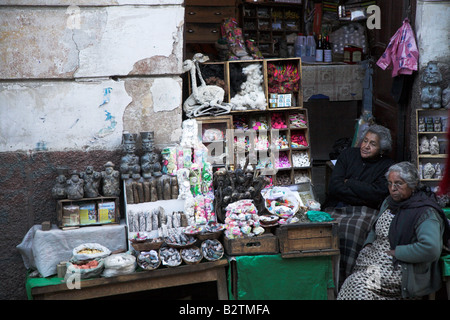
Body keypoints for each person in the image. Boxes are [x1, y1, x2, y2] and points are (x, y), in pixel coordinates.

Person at [338, 162, 450, 300]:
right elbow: (375, 227)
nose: (392, 188)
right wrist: (368, 244)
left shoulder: (425, 213)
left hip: (399, 267)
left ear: (413, 185)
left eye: (398, 184)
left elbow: (430, 249)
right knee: (353, 283)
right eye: (390, 183)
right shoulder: (389, 203)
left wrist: (397, 252)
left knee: (359, 286)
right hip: (373, 261)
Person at [323, 124, 395, 285]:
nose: (366, 146)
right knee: (325, 231)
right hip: (338, 206)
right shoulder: (348, 155)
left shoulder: (388, 166)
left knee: (352, 233)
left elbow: (377, 194)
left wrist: (350, 183)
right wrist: (362, 193)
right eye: (365, 141)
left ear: (382, 150)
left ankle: (348, 281)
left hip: (366, 211)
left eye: (372, 144)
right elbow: (334, 187)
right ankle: (327, 280)